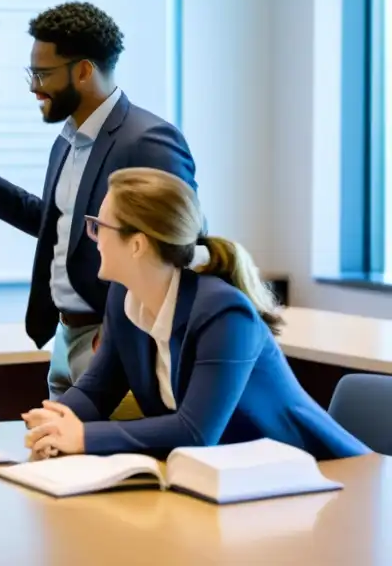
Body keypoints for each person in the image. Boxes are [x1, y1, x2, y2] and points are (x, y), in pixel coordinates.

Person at [0, 1, 198, 399]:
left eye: (42, 74)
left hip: (113, 340)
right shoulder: (67, 141)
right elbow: (60, 226)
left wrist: (119, 328)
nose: (34, 87)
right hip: (66, 335)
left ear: (84, 71)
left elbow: (178, 246)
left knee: (114, 458)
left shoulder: (148, 140)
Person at [21, 167, 369, 461]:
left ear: (138, 244)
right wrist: (55, 419)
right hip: (231, 480)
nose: (93, 239)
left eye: (99, 227)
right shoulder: (124, 298)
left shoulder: (224, 314)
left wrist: (84, 438)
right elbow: (97, 391)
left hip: (315, 477)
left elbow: (196, 431)